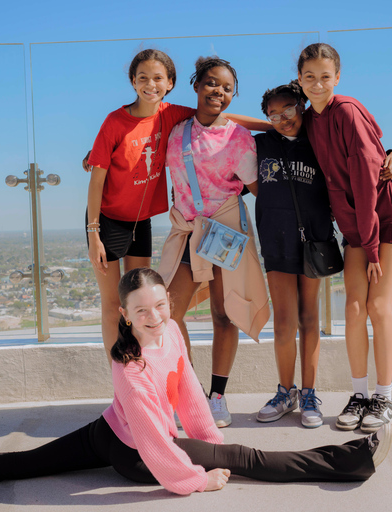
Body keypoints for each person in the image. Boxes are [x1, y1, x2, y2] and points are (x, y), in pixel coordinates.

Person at [0, 268, 392, 499]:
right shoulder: (128, 364)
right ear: (125, 317)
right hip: (131, 451)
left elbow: (189, 392)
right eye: (141, 312)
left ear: (170, 306)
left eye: (160, 306)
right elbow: (151, 436)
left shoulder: (170, 331)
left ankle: (348, 458)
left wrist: (209, 444)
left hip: (115, 431)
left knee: (232, 451)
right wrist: (196, 477)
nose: (154, 317)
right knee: (248, 461)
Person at [84, 49, 268, 365]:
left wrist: (276, 125)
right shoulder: (129, 122)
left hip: (153, 223)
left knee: (145, 302)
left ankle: (163, 378)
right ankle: (131, 378)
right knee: (126, 304)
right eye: (143, 78)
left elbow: (220, 116)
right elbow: (99, 176)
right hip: (114, 221)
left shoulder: (173, 115)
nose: (150, 84)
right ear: (132, 81)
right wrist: (94, 232)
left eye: (158, 78)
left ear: (170, 83)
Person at [253, 81, 392, 429]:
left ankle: (308, 394)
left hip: (314, 241)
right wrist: (268, 123)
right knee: (284, 322)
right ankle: (285, 391)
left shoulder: (319, 142)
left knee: (309, 321)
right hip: (274, 240)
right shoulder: (259, 143)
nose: (282, 118)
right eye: (273, 114)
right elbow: (223, 121)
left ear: (303, 107)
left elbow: (364, 153)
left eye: (289, 110)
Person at [297, 43, 392, 433]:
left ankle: (385, 396)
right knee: (353, 307)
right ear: (299, 78)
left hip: (386, 214)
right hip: (358, 222)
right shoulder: (309, 119)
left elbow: (368, 183)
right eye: (309, 77)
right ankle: (360, 394)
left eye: (325, 77)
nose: (318, 84)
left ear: (338, 77)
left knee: (378, 306)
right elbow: (274, 123)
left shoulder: (346, 111)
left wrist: (368, 247)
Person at [158, 56, 269, 428]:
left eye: (227, 89)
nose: (218, 92)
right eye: (211, 83)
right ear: (195, 86)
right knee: (169, 313)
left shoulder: (238, 139)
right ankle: (187, 391)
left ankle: (217, 398)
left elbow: (258, 191)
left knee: (224, 314)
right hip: (187, 229)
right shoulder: (175, 129)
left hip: (224, 229)